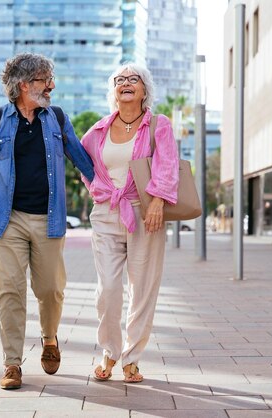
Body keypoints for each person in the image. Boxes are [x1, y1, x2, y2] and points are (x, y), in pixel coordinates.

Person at [0, 53, 94, 390]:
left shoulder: (58, 119)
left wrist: (114, 190)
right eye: (43, 80)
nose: (51, 86)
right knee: (10, 290)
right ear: (23, 85)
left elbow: (83, 159)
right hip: (9, 221)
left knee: (50, 289)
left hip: (49, 219)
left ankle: (49, 338)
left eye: (50, 79)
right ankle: (12, 363)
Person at [80, 63, 179, 383]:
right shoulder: (96, 131)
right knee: (108, 288)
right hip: (107, 213)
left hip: (147, 212)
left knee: (143, 289)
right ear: (113, 90)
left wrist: (159, 202)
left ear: (144, 89)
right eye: (119, 80)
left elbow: (168, 165)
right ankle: (109, 350)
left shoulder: (158, 125)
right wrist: (99, 190)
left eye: (132, 79)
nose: (125, 83)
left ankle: (131, 358)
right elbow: (86, 166)